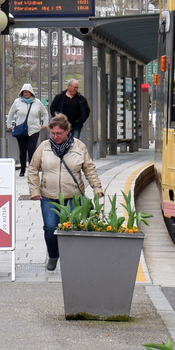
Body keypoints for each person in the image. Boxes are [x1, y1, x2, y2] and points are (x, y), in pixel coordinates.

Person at [28, 113, 103, 272]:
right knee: (50, 228)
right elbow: (33, 168)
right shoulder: (44, 147)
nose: (55, 136)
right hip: (49, 196)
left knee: (71, 228)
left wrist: (97, 188)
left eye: (58, 133)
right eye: (52, 133)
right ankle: (53, 255)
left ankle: (71, 259)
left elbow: (89, 169)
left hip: (72, 197)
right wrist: (34, 190)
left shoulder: (79, 147)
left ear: (67, 131)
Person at [7, 83, 47, 169]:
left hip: (34, 130)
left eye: (27, 92)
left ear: (31, 93)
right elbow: (10, 114)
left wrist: (45, 124)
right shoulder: (17, 102)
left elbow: (45, 113)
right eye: (24, 92)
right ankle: (22, 168)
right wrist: (9, 125)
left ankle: (32, 168)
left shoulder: (37, 102)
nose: (26, 94)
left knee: (31, 149)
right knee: (22, 150)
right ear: (22, 93)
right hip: (21, 130)